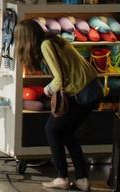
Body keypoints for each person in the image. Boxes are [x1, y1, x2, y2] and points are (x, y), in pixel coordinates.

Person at [15, 20, 100, 191]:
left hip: (81, 92)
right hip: (90, 90)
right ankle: (82, 179)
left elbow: (59, 79)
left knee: (51, 129)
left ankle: (62, 177)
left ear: (25, 38)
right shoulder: (54, 40)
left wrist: (47, 90)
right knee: (66, 133)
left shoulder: (46, 46)